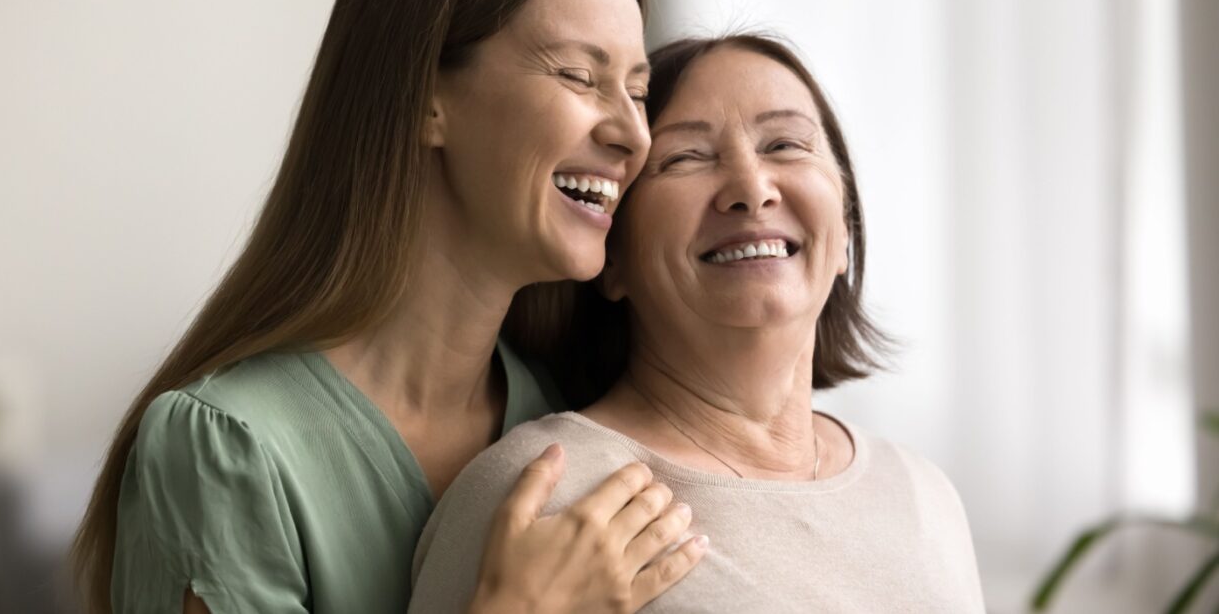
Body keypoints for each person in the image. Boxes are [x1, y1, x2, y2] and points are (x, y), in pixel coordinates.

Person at [71, 0, 709, 612]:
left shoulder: (569, 417)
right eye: (580, 76)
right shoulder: (228, 451)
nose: (631, 134)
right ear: (425, 100)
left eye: (639, 93)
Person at [410, 34, 986, 612]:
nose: (751, 190)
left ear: (845, 232)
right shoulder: (545, 490)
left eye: (785, 144)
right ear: (611, 259)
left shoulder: (924, 494)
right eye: (685, 157)